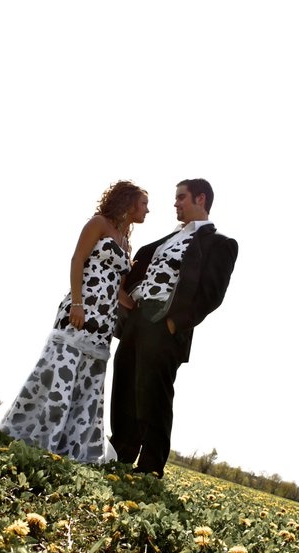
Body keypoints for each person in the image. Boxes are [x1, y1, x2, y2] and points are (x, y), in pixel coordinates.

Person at [0, 180, 149, 462]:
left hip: (104, 322)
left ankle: (71, 448)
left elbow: (120, 289)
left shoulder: (126, 243)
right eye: (144, 203)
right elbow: (77, 260)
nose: (147, 210)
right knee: (59, 376)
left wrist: (141, 309)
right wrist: (77, 303)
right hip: (80, 309)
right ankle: (35, 437)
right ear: (129, 202)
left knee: (87, 383)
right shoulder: (99, 223)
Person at [110, 178, 238, 477]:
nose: (176, 203)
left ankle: (151, 466)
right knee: (125, 385)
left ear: (200, 199)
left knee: (154, 394)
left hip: (165, 326)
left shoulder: (220, 244)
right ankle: (121, 452)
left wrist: (172, 324)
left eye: (181, 197)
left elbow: (211, 294)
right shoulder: (167, 239)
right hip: (138, 319)